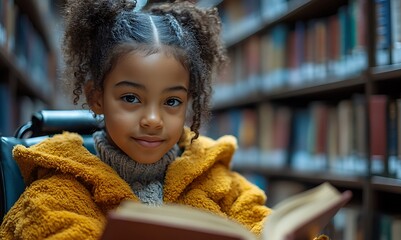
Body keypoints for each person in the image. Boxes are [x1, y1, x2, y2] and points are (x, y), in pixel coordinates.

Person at [0, 0, 272, 239]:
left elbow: (258, 220)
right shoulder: (60, 186)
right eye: (131, 98)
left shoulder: (212, 174)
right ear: (96, 97)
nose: (153, 120)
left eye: (172, 102)